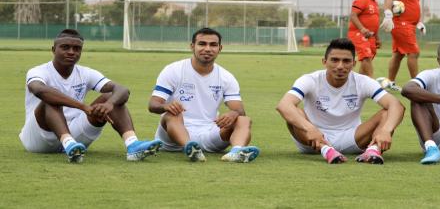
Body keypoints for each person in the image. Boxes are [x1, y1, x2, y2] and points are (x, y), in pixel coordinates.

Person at [20, 29, 162, 163]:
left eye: (77, 49)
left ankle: (132, 144)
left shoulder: (86, 73)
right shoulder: (38, 71)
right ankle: (68, 143)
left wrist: (109, 104)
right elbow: (39, 90)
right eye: (65, 47)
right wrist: (83, 106)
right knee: (49, 99)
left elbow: (122, 90)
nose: (71, 52)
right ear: (53, 50)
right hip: (39, 137)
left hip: (74, 135)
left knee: (110, 97)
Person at [276, 38, 405, 164]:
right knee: (295, 111)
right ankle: (326, 150)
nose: (340, 66)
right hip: (312, 139)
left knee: (387, 113)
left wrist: (386, 130)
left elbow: (396, 105)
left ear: (353, 64)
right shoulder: (310, 79)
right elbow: (284, 105)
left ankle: (373, 151)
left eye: (346, 61)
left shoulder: (363, 81)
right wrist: (310, 129)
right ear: (324, 62)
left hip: (352, 139)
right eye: (335, 60)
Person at [148, 27, 260, 163]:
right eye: (202, 44)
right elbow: (153, 105)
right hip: (173, 137)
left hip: (209, 132)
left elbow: (239, 110)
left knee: (243, 119)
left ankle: (237, 151)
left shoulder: (226, 77)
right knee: (172, 114)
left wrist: (233, 114)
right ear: (192, 46)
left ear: (220, 48)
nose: (207, 49)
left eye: (213, 45)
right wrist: (166, 106)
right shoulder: (173, 70)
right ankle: (189, 148)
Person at [380, 0, 426, 91]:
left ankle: (390, 82)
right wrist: (388, 14)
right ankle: (416, 86)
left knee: (398, 54)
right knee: (414, 53)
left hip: (409, 25)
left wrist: (418, 23)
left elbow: (412, 8)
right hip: (402, 25)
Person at [347, 0, 385, 77]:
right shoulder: (362, 0)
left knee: (368, 58)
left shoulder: (375, 4)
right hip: (358, 34)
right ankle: (373, 85)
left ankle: (360, 84)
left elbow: (374, 23)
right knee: (366, 57)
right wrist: (362, 29)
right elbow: (353, 15)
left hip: (371, 36)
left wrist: (377, 38)